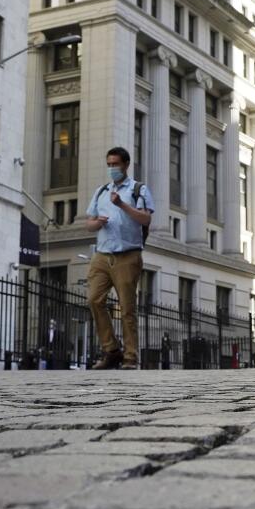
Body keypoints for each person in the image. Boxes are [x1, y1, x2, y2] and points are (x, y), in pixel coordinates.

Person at [83, 147, 154, 369]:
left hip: (128, 255)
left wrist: (121, 205)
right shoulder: (101, 191)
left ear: (126, 165)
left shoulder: (138, 189)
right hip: (102, 255)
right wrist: (98, 223)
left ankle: (131, 357)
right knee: (94, 299)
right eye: (109, 165)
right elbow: (89, 224)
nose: (112, 168)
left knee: (127, 307)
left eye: (116, 164)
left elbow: (145, 220)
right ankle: (111, 350)